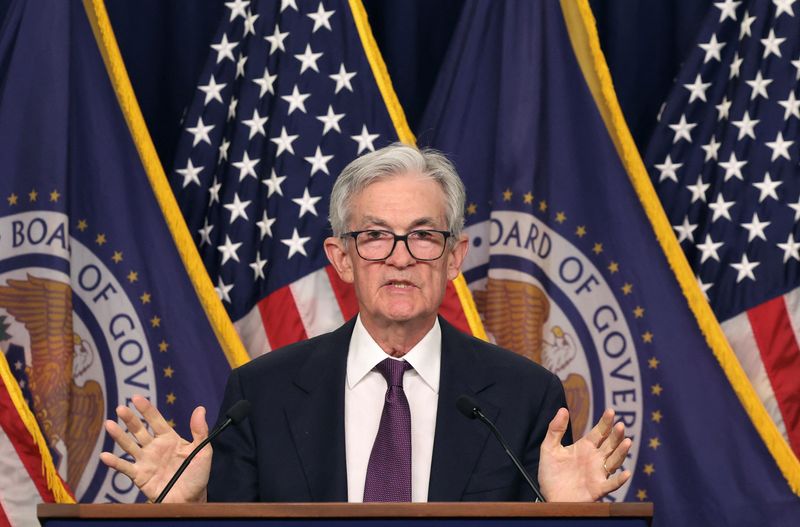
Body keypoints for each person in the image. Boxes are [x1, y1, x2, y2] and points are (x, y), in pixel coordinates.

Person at [100, 144, 631, 503]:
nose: (400, 257)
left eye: (423, 235)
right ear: (341, 258)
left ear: (454, 257)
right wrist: (193, 509)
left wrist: (564, 517)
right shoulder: (259, 395)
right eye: (375, 236)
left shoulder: (525, 397)